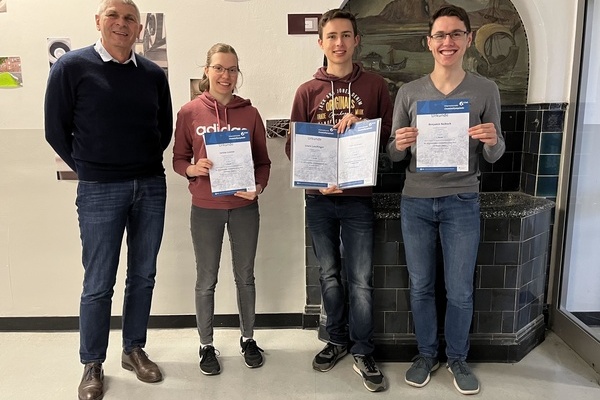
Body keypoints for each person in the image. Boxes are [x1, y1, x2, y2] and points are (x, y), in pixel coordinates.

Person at [44, 0, 173, 399]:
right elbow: (55, 129)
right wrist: (90, 166)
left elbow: (164, 128)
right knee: (99, 282)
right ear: (98, 21)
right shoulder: (71, 67)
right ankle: (92, 362)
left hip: (150, 185)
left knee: (143, 275)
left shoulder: (152, 74)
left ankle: (133, 349)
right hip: (99, 188)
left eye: (130, 18)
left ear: (139, 28)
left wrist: (140, 163)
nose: (122, 23)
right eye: (113, 16)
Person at [386, 5, 506, 396]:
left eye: (455, 34)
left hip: (462, 200)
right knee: (420, 286)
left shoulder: (486, 89)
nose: (447, 42)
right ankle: (426, 355)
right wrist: (399, 144)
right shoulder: (409, 92)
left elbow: (495, 154)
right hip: (416, 202)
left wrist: (492, 141)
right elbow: (393, 155)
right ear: (429, 42)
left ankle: (457, 358)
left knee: (460, 290)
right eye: (440, 35)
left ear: (468, 39)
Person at [285, 8, 393, 393]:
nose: (339, 43)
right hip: (319, 199)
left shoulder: (376, 86)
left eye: (346, 35)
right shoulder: (307, 91)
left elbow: (389, 137)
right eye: (332, 36)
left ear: (357, 40)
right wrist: (318, 179)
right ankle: (336, 340)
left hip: (359, 197)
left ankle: (363, 349)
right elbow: (294, 146)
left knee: (361, 278)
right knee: (328, 273)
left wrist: (362, 126)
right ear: (321, 42)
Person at [173, 43, 271, 376]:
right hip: (205, 208)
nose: (225, 75)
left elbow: (263, 162)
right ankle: (206, 344)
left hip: (244, 208)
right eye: (219, 68)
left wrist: (258, 187)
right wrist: (192, 169)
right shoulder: (189, 112)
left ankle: (248, 338)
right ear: (207, 70)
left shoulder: (250, 114)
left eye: (231, 69)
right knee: (206, 279)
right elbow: (178, 159)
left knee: (246, 277)